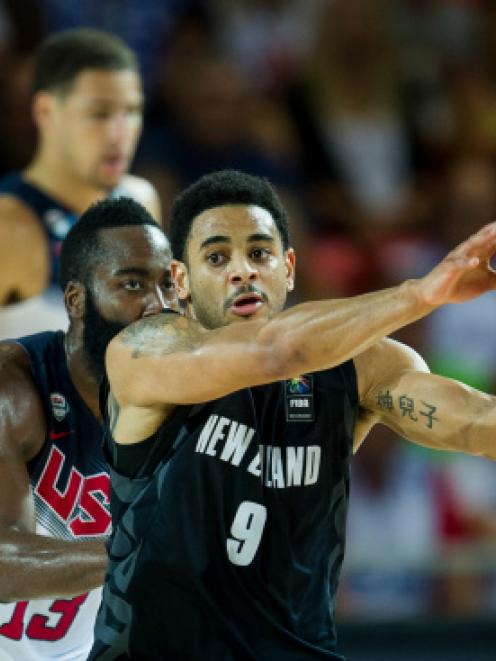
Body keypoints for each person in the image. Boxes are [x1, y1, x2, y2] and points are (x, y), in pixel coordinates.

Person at [90, 169, 496, 660]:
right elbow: (274, 353)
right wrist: (420, 294)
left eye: (260, 254)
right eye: (217, 257)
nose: (243, 271)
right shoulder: (145, 351)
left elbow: (475, 423)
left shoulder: (360, 366)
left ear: (289, 268)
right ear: (181, 280)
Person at [0, 197, 177, 661]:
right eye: (132, 284)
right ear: (76, 299)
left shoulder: (182, 402)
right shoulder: (14, 390)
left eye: (167, 285)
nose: (156, 306)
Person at [0, 27, 160, 334]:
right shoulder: (9, 225)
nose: (119, 133)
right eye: (99, 113)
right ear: (45, 111)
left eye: (131, 111)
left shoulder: (141, 200)